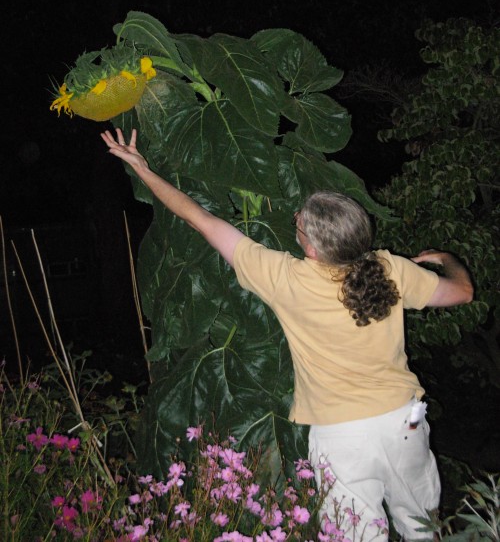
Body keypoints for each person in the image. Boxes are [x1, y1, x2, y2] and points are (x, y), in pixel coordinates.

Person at [101, 128, 474, 540]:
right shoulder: (390, 269)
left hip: (342, 435)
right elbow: (463, 291)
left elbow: (200, 218)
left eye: (299, 222)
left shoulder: (285, 279)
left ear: (312, 249)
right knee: (424, 529)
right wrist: (448, 259)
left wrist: (142, 168)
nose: (295, 220)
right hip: (403, 422)